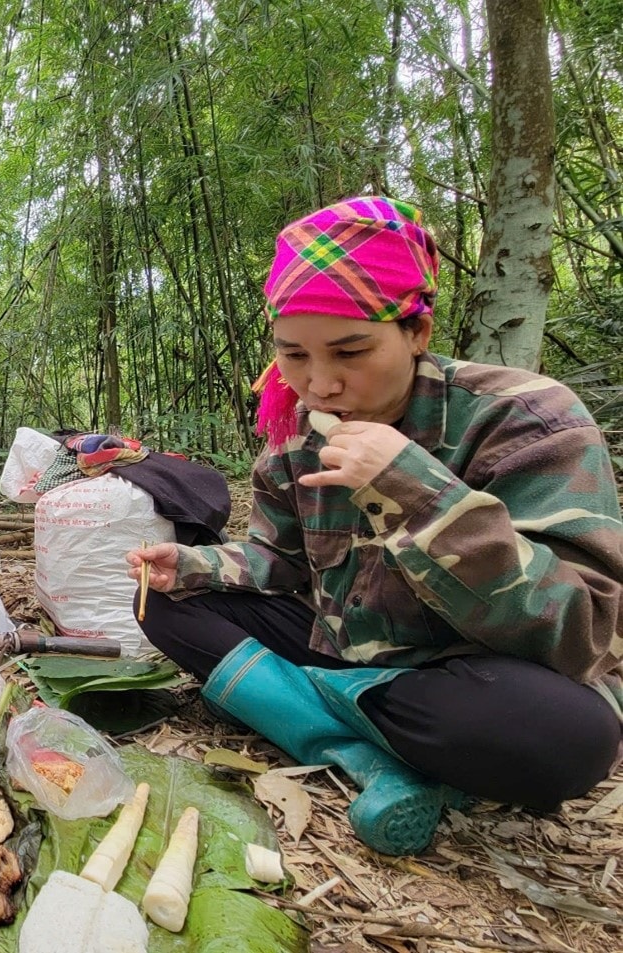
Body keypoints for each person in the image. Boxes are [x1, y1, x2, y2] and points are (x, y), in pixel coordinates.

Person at [128, 196, 623, 856]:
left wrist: (419, 492)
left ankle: (287, 698)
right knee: (163, 603)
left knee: (571, 737)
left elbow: (582, 629)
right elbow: (279, 563)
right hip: (344, 652)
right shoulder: (292, 441)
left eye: (350, 350)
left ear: (417, 331)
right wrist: (192, 565)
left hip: (457, 678)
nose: (320, 384)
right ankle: (362, 751)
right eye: (292, 355)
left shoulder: (528, 419)